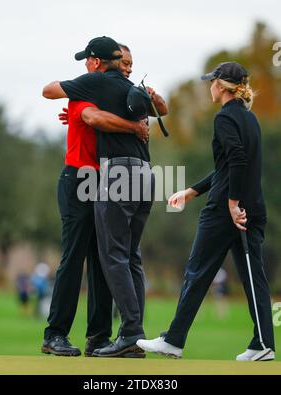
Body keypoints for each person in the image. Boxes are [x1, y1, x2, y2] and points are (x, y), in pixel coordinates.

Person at [137, 62, 275, 362]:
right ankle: (263, 343)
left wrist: (231, 203)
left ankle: (173, 341)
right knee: (254, 276)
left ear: (221, 86)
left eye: (212, 82)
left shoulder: (225, 118)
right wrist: (192, 191)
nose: (209, 86)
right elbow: (228, 167)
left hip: (226, 210)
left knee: (197, 272)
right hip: (251, 207)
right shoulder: (249, 119)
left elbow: (237, 160)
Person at [43, 36, 168, 358]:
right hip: (79, 177)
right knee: (74, 258)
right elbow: (91, 118)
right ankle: (55, 334)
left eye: (129, 64)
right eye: (123, 63)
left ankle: (98, 337)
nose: (127, 69)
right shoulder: (87, 88)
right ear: (108, 63)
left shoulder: (119, 92)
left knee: (105, 260)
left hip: (107, 179)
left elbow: (160, 109)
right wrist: (133, 127)